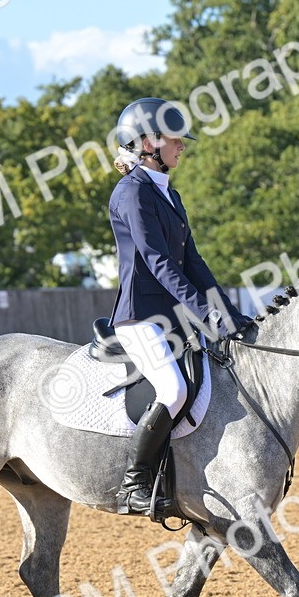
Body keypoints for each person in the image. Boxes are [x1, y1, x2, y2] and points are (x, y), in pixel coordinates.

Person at [106, 97, 251, 521]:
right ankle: (135, 484)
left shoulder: (168, 193)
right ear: (147, 141)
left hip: (173, 316)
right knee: (174, 390)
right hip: (139, 316)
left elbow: (193, 262)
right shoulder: (132, 193)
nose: (182, 146)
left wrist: (227, 311)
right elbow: (158, 262)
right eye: (175, 140)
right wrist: (203, 315)